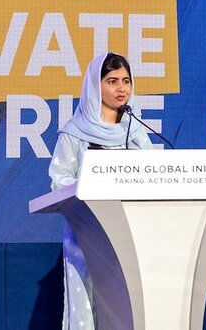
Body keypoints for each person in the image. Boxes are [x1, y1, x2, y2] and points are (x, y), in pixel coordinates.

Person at [49, 52, 153, 330]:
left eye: (126, 81)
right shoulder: (75, 133)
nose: (121, 89)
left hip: (129, 237)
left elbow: (153, 176)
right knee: (87, 307)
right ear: (96, 86)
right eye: (112, 81)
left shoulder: (135, 131)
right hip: (86, 235)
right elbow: (59, 180)